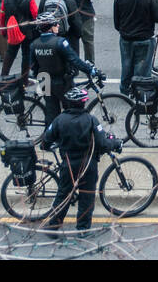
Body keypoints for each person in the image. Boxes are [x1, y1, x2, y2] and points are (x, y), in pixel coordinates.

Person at [38, 86, 123, 232]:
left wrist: (47, 146)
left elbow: (46, 140)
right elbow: (102, 144)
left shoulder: (60, 120)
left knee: (63, 195)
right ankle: (83, 229)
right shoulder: (91, 120)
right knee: (87, 196)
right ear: (83, 103)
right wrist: (115, 143)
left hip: (68, 165)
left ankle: (54, 226)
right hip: (88, 164)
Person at [30, 17, 101, 122]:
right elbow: (75, 60)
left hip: (44, 81)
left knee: (51, 112)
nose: (58, 25)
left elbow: (33, 66)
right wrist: (91, 70)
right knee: (72, 111)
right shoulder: (60, 42)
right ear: (49, 28)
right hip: (62, 81)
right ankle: (68, 134)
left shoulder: (34, 44)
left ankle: (50, 135)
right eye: (55, 24)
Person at [114, 0, 158, 85]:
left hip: (126, 38)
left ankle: (125, 90)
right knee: (142, 70)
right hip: (144, 39)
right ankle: (140, 92)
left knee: (126, 67)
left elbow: (116, 22)